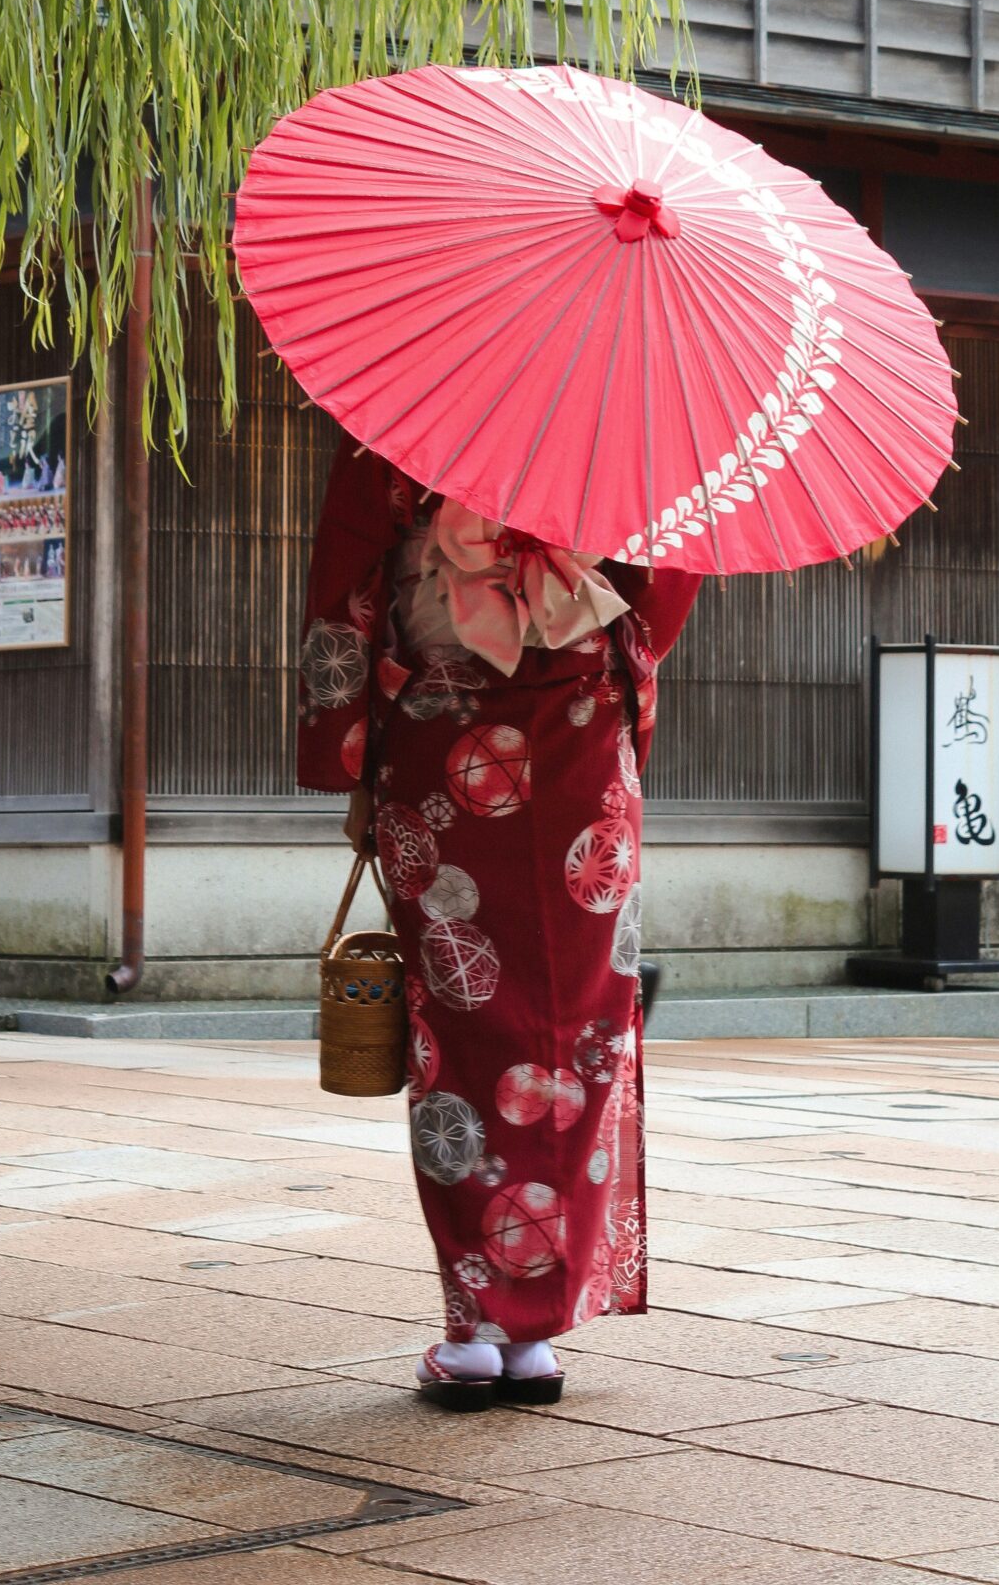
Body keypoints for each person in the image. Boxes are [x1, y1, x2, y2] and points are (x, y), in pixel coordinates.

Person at [297, 442, 699, 1409]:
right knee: (584, 1024)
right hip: (579, 735)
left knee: (463, 1024)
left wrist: (344, 753)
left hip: (440, 735)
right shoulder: (630, 429)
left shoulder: (397, 424)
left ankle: (478, 1327)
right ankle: (542, 1327)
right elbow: (668, 583)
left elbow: (347, 589)